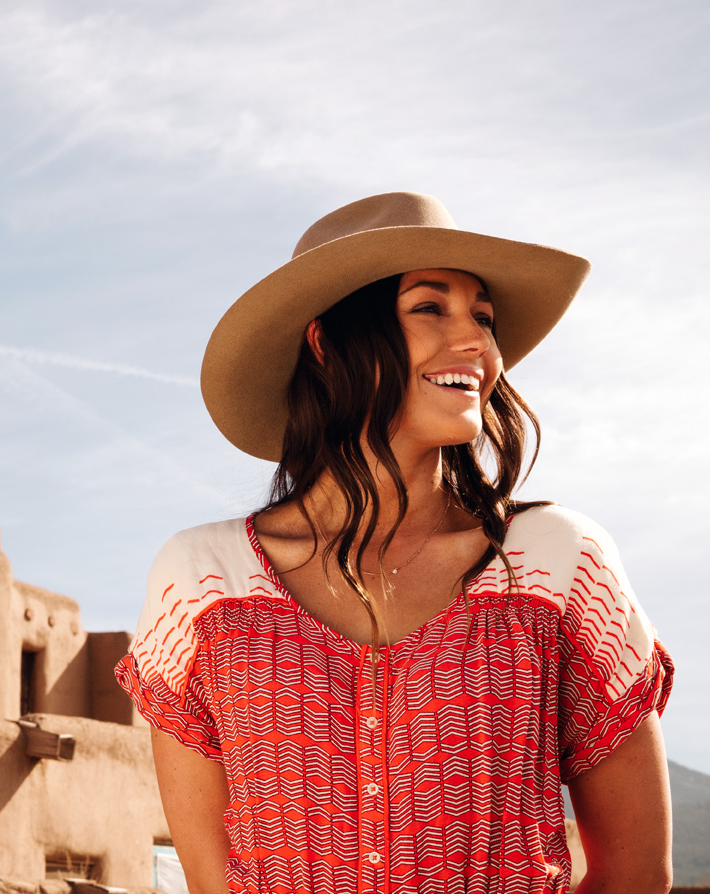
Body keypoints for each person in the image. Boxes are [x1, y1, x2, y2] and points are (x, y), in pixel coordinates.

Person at [115, 193, 674, 894]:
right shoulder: (201, 585)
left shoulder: (557, 566)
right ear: (327, 343)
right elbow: (213, 882)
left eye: (484, 317)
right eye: (430, 308)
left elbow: (634, 874)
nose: (476, 343)